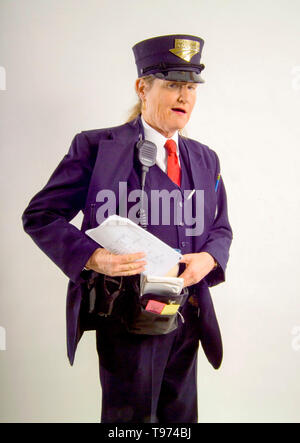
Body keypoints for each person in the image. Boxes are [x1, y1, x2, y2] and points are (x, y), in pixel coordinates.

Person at [22, 34, 233, 423]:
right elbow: (40, 215)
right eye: (172, 84)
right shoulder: (95, 148)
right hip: (127, 320)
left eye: (190, 86)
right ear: (142, 88)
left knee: (180, 423)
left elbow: (220, 227)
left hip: (188, 317)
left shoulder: (206, 159)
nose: (184, 96)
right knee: (130, 425)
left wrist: (209, 257)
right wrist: (91, 256)